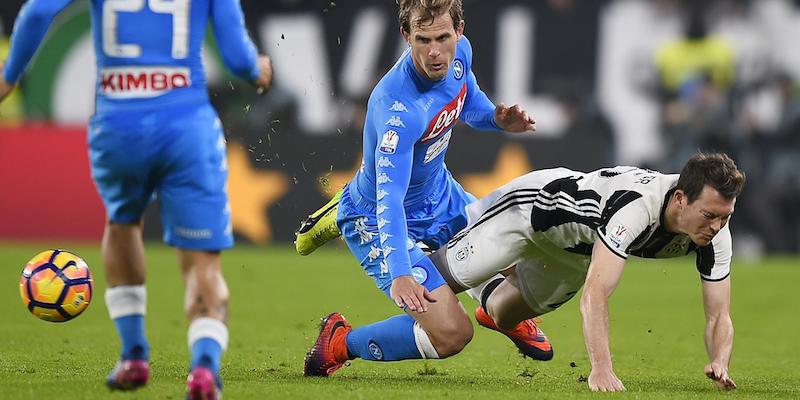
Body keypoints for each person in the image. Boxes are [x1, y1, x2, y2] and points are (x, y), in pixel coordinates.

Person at [0, 1, 272, 398]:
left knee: (122, 222)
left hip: (118, 125)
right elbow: (236, 57)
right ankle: (204, 369)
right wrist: (257, 67)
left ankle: (132, 356)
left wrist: (8, 78)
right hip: (186, 126)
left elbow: (38, 12)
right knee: (202, 262)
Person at [304, 0, 547, 378]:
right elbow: (390, 200)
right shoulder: (396, 110)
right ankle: (340, 340)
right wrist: (400, 270)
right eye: (423, 40)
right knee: (452, 335)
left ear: (459, 31)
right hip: (382, 215)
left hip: (442, 196)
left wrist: (497, 119)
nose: (435, 53)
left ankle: (502, 312)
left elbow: (466, 101)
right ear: (406, 36)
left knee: (527, 254)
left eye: (442, 38)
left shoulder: (459, 54)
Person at [426, 152, 744, 392]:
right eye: (709, 215)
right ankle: (414, 243)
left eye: (725, 217)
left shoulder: (716, 234)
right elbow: (596, 292)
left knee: (501, 313)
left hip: (573, 253)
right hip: (531, 212)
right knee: (432, 283)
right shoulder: (635, 208)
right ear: (679, 199)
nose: (716, 226)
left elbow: (719, 315)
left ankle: (486, 273)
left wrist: (719, 361)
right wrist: (601, 368)